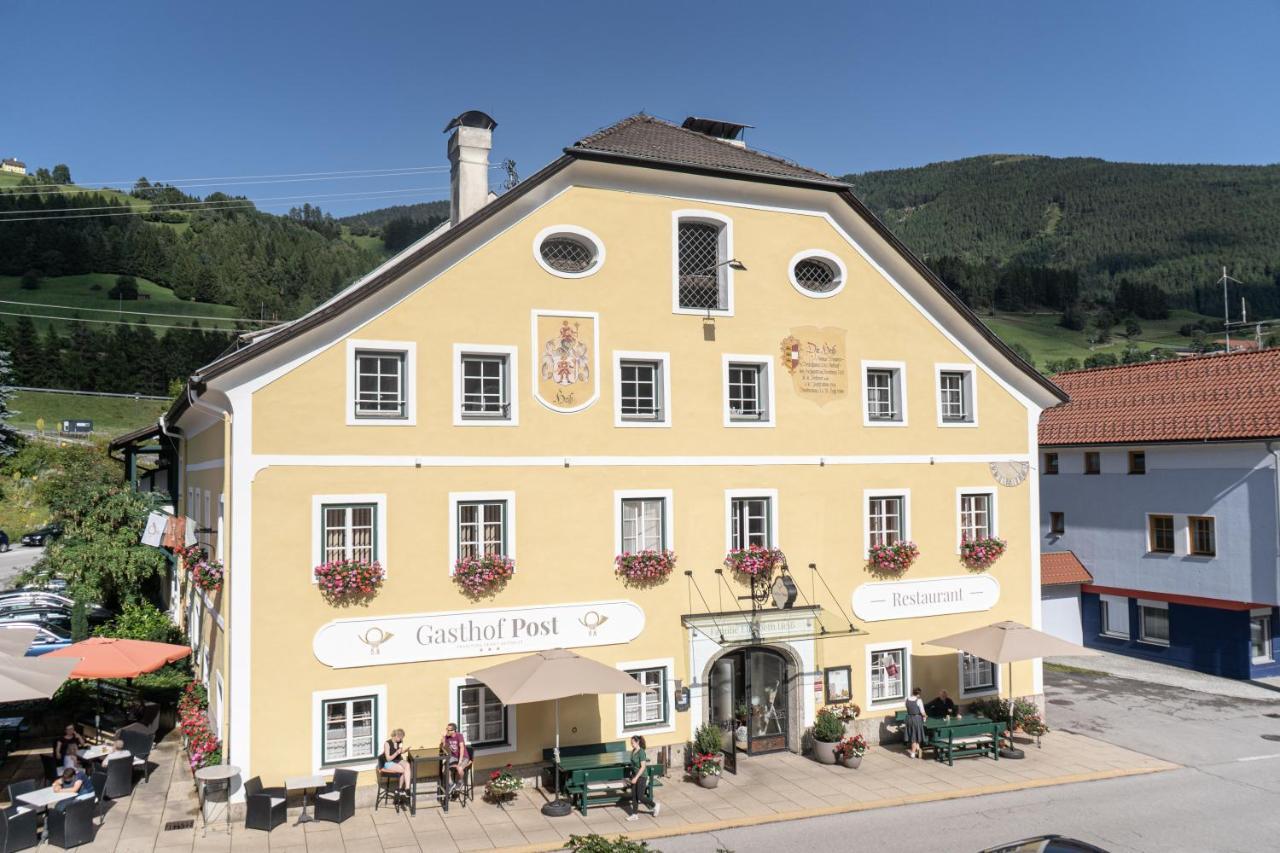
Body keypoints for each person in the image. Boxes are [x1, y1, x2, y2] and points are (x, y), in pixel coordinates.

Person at [625, 734, 659, 821]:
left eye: (633, 742)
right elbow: (633, 764)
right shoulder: (633, 751)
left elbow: (643, 767)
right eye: (631, 742)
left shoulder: (641, 752)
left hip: (642, 777)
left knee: (640, 796)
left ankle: (655, 805)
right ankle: (634, 814)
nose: (631, 744)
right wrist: (631, 776)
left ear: (637, 742)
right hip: (635, 776)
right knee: (634, 796)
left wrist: (636, 778)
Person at [381, 728, 412, 797]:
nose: (401, 740)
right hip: (389, 762)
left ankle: (407, 789)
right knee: (403, 770)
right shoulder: (387, 743)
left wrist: (405, 750)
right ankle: (399, 789)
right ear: (396, 736)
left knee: (407, 765)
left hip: (397, 760)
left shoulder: (400, 742)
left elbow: (400, 752)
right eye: (400, 738)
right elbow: (388, 759)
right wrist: (396, 753)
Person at [440, 723, 470, 792]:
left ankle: (460, 782)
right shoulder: (447, 737)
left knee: (459, 768)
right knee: (445, 769)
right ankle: (451, 784)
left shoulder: (459, 736)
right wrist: (443, 738)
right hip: (453, 757)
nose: (447, 731)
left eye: (448, 730)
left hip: (464, 757)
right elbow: (444, 748)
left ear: (453, 730)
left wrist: (460, 761)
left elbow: (462, 748)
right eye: (446, 729)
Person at [904, 687, 927, 759]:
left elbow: (907, 708)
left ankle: (918, 748)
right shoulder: (919, 700)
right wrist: (925, 716)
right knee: (915, 735)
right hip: (916, 719)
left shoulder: (906, 699)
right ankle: (913, 752)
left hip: (908, 718)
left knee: (913, 734)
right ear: (919, 694)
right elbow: (922, 712)